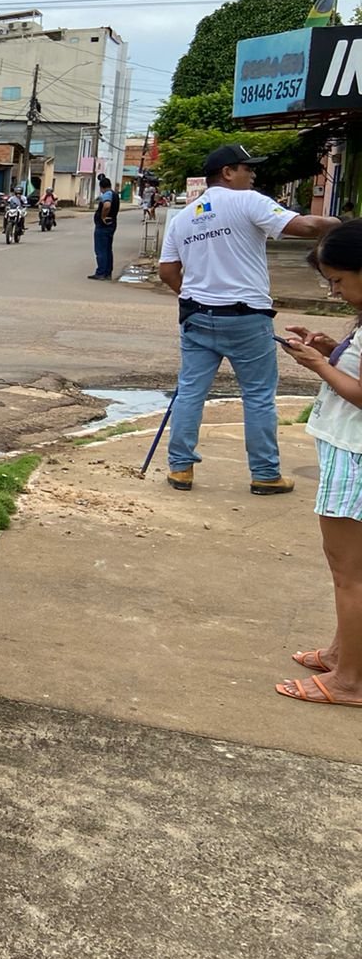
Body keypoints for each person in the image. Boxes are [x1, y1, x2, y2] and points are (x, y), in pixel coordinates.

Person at [156, 143, 340, 494]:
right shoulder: (250, 201)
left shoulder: (184, 217)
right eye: (247, 168)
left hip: (197, 316)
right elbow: (305, 226)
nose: (253, 174)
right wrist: (342, 223)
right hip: (246, 318)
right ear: (227, 172)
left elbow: (168, 271)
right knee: (257, 395)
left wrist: (195, 296)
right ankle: (265, 474)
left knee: (190, 393)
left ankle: (180, 469)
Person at [273, 220, 362, 706]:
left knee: (350, 572)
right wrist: (333, 350)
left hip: (356, 454)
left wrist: (320, 365)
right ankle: (340, 654)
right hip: (347, 449)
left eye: (339, 280)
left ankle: (350, 682)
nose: (334, 290)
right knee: (347, 569)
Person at [89, 174, 118, 279]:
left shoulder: (107, 194)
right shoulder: (114, 194)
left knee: (101, 250)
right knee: (107, 249)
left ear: (101, 187)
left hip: (104, 226)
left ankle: (101, 272)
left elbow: (107, 205)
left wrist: (103, 216)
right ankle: (107, 272)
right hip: (111, 224)